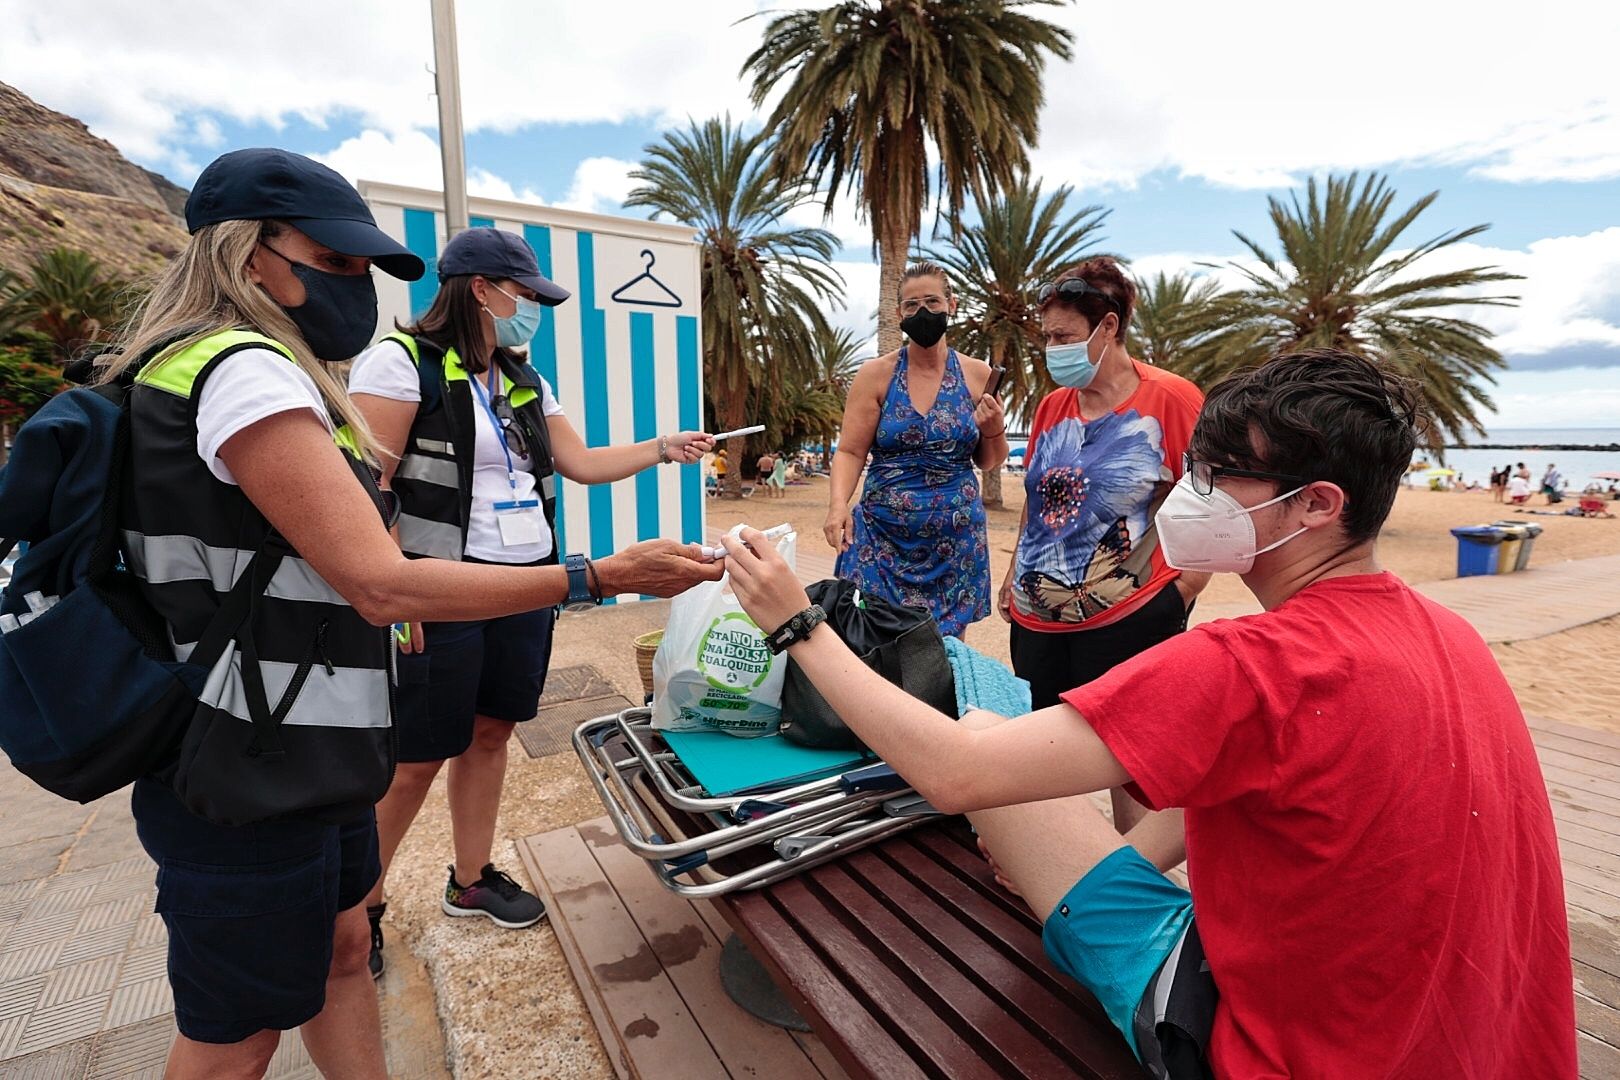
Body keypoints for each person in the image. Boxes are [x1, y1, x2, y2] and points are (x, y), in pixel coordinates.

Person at [720, 349, 1576, 1079]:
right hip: (1474, 1040)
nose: (1184, 497)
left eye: (1213, 477)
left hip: (1279, 1053)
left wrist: (799, 625)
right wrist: (1110, 868)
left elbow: (952, 776)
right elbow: (1252, 783)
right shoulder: (1448, 635)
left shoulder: (1250, 664)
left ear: (1318, 504)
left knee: (982, 738)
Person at [101, 148, 721, 1080]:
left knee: (342, 949)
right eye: (338, 261)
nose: (357, 286)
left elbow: (374, 530)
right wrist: (596, 576)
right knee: (240, 1027)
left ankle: (442, 889)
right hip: (247, 744)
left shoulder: (437, 376)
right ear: (249, 252)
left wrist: (662, 454)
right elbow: (380, 575)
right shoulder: (246, 372)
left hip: (307, 734)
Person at [347, 228, 714, 976]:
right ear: (480, 289)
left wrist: (662, 446)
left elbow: (578, 462)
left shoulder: (523, 379)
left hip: (526, 586)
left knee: (491, 735)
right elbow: (366, 488)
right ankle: (360, 911)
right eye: (528, 296)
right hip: (441, 590)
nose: (533, 311)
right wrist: (395, 592)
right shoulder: (399, 363)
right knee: (415, 760)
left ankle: (471, 880)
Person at [1000, 259, 1208, 833]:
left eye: (1063, 337)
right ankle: (1057, 871)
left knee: (1129, 763)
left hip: (1129, 615)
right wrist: (1015, 570)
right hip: (1037, 616)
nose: (1052, 348)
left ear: (1108, 327)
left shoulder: (1171, 399)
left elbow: (1207, 501)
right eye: (1046, 337)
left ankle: (1131, 894)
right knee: (1047, 752)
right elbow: (1036, 497)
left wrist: (1182, 592)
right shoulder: (1052, 405)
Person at [825, 261, 1007, 637]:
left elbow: (989, 460)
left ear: (951, 304)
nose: (922, 312)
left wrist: (994, 430)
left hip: (954, 545)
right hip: (881, 538)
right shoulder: (875, 374)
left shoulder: (977, 375)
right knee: (872, 643)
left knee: (942, 656)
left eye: (932, 302)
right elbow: (850, 452)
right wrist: (837, 505)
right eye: (911, 306)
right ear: (898, 314)